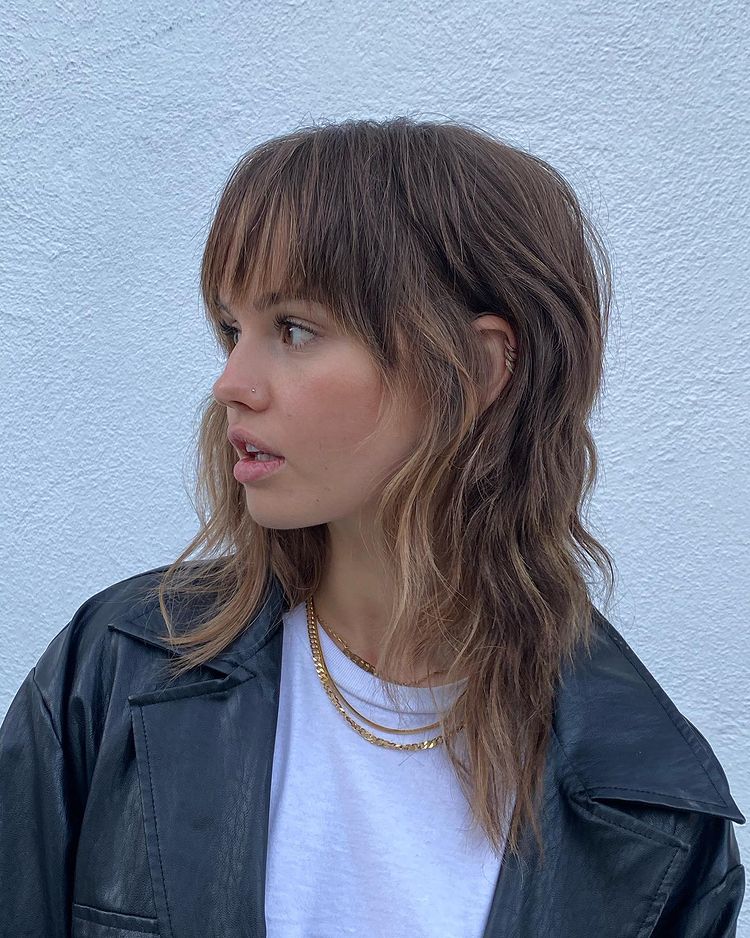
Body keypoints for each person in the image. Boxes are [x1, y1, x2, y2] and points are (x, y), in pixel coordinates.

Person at [0, 117, 745, 938]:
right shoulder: (113, 673)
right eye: (232, 329)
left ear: (478, 367)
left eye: (294, 329)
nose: (232, 383)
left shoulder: (651, 807)